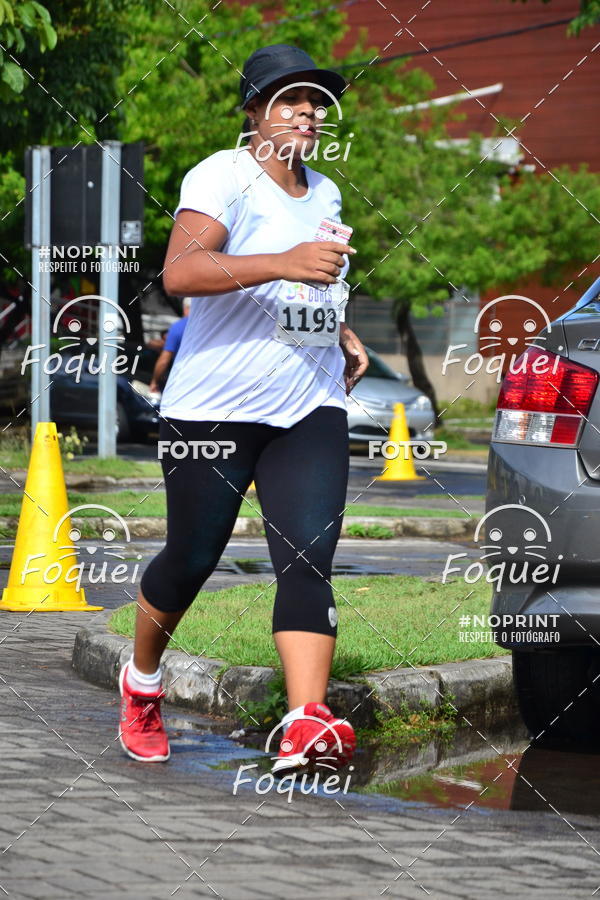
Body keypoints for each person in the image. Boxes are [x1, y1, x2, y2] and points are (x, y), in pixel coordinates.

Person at [118, 43, 369, 772]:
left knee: (308, 559)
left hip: (308, 404)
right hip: (214, 408)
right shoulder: (223, 174)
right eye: (291, 99)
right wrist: (285, 261)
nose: (308, 113)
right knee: (192, 558)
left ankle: (304, 723)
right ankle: (142, 682)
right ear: (254, 109)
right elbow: (181, 272)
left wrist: (340, 329)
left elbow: (301, 294)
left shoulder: (323, 194)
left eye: (317, 102)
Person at [148, 297, 191, 393]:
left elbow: (164, 360)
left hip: (182, 379)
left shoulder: (178, 327)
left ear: (185, 308)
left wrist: (154, 382)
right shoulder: (210, 327)